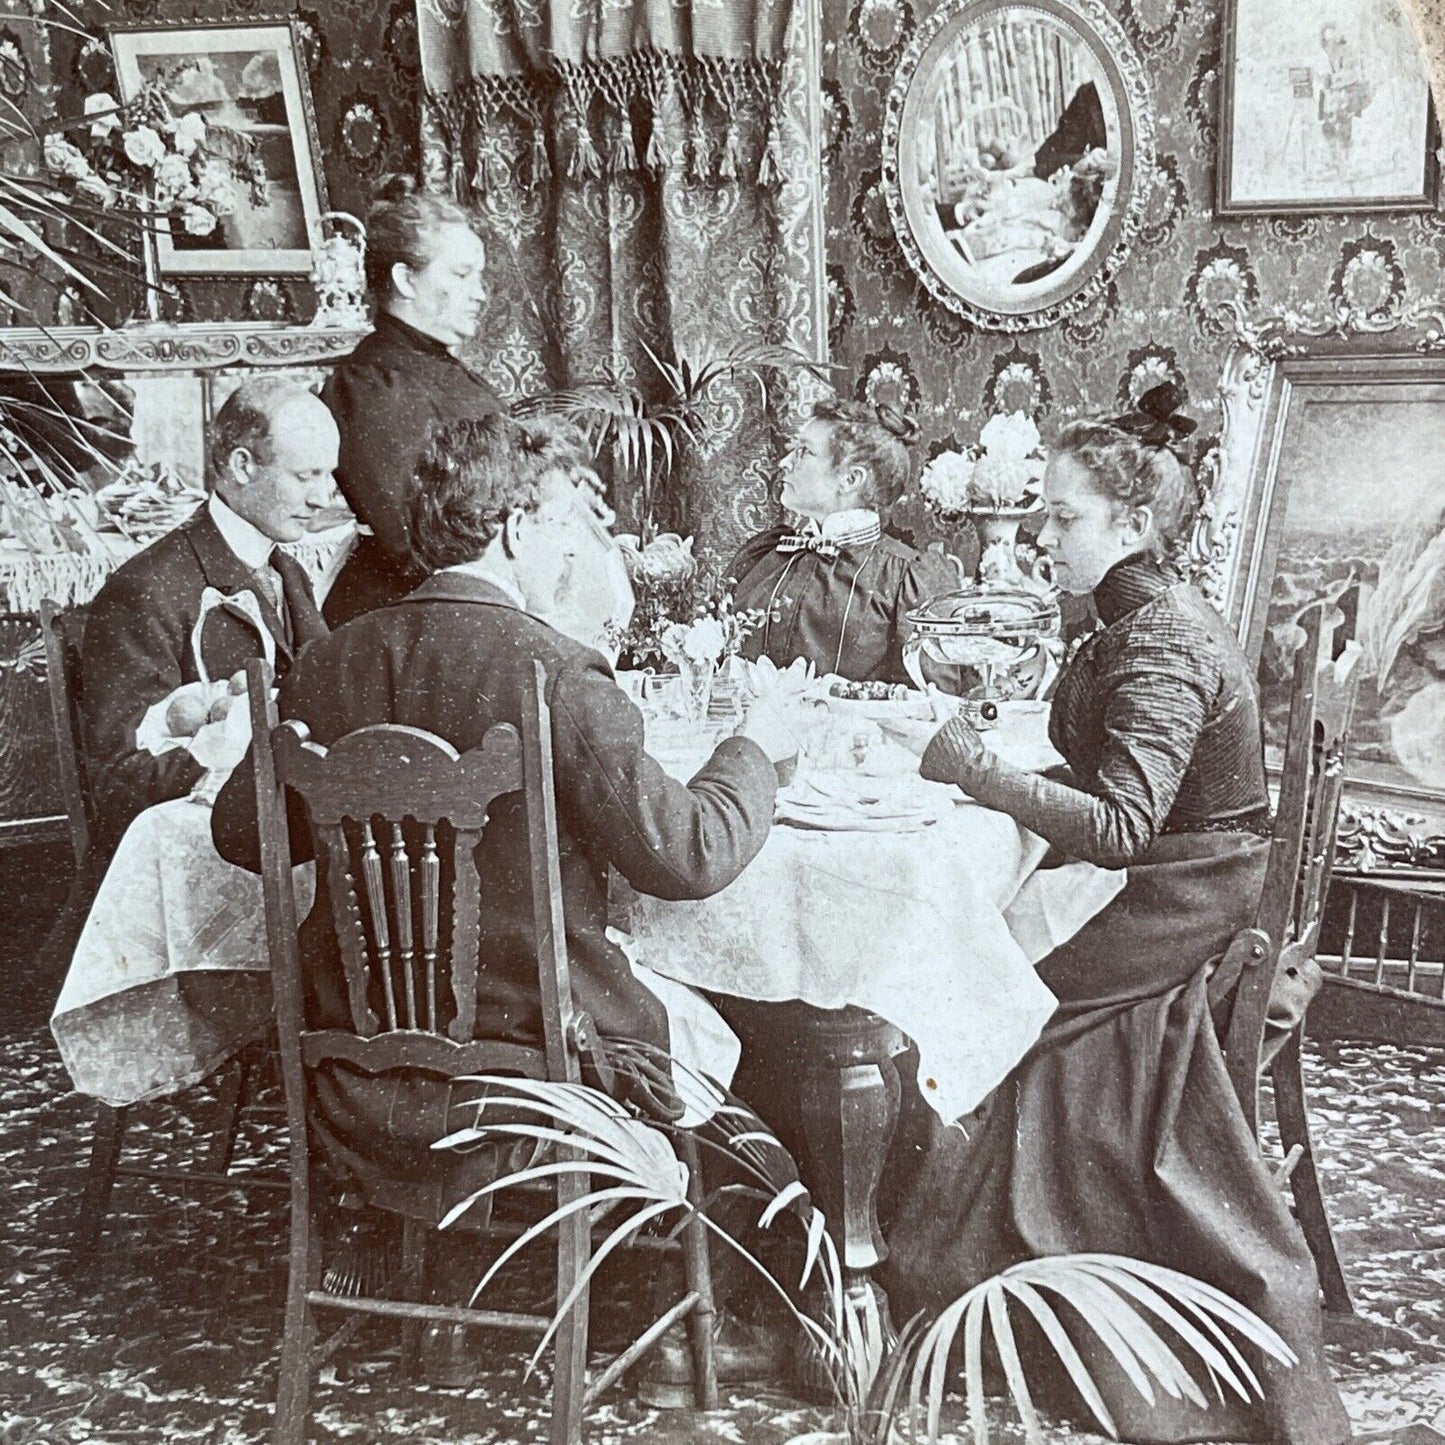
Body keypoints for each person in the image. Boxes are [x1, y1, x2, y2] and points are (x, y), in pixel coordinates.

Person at [877, 384, 1351, 1444]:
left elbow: (1126, 823)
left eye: (1062, 517)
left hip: (1185, 888)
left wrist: (980, 774)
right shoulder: (1125, 615)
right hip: (1180, 868)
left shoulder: (1157, 640)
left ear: (1133, 526)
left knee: (982, 986)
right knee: (979, 942)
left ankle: (1001, 1286)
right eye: (1043, 514)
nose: (1043, 535)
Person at [80, 377, 335, 860]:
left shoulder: (286, 569)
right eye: (306, 476)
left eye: (330, 475)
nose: (324, 498)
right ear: (242, 465)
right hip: (186, 864)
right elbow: (117, 781)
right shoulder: (145, 588)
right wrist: (218, 754)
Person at [321, 177, 504, 626]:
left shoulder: (444, 369)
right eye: (461, 275)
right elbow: (413, 541)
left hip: (472, 599)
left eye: (479, 276)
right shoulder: (369, 386)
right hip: (403, 619)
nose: (480, 294)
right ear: (405, 280)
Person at [728, 399, 957, 683]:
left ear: (850, 479)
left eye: (804, 452)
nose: (783, 463)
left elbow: (930, 709)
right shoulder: (765, 552)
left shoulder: (905, 580)